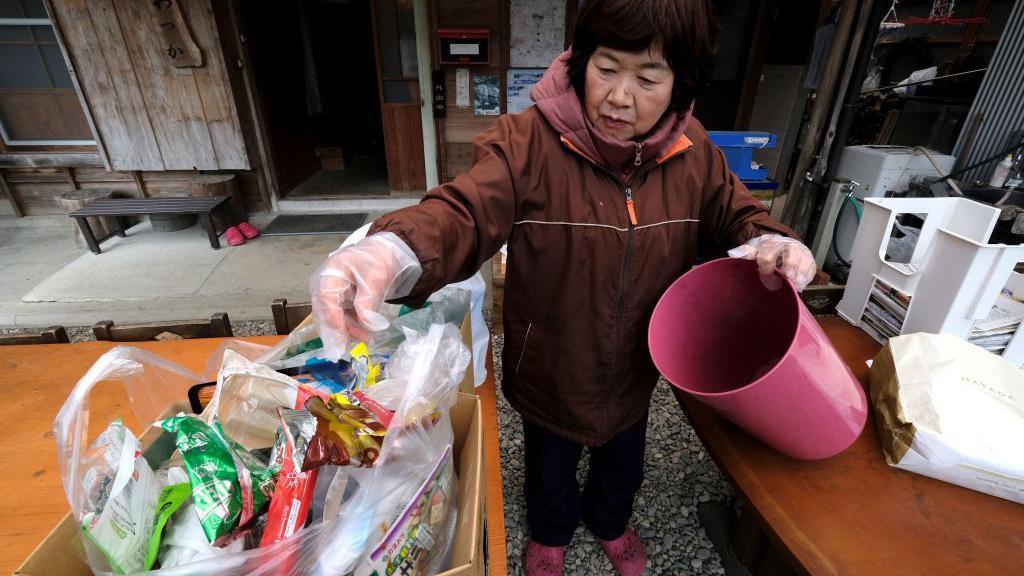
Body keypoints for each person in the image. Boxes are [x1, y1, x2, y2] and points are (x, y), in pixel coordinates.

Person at [310, 1, 816, 574]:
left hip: (636, 366)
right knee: (548, 465)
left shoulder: (693, 149)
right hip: (548, 363)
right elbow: (465, 210)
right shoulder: (524, 143)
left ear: (680, 85)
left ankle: (609, 522)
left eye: (648, 78)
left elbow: (736, 213)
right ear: (579, 63)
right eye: (606, 68)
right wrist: (391, 249)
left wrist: (772, 240)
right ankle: (550, 532)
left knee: (624, 463)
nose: (620, 97)